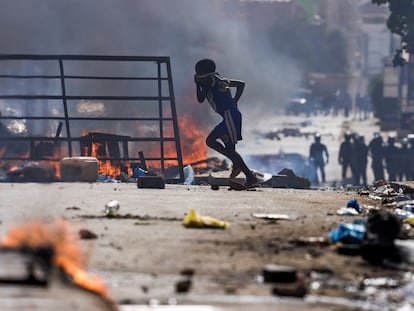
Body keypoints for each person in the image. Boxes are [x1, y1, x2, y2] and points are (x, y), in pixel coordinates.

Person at [194, 58, 259, 188]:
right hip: (232, 115)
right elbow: (241, 84)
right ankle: (242, 175)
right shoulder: (220, 79)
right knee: (230, 149)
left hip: (229, 116)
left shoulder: (208, 81)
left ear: (201, 71)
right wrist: (235, 101)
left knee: (211, 141)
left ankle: (249, 176)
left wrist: (197, 84)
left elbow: (200, 99)